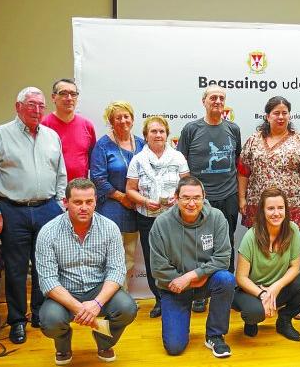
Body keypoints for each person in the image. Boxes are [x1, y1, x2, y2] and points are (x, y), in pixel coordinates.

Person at [0, 87, 66, 344]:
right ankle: (17, 320)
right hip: (13, 210)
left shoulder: (51, 136)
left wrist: (60, 203)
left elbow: (61, 173)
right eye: (31, 104)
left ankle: (39, 313)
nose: (37, 110)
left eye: (41, 105)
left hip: (47, 208)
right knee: (15, 268)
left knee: (45, 265)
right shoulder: (0, 134)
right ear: (18, 107)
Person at [36, 178, 137, 365]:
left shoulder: (109, 228)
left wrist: (97, 304)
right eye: (77, 202)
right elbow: (48, 280)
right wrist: (80, 308)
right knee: (50, 321)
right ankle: (63, 346)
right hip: (64, 292)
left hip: (98, 289)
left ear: (96, 201)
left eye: (89, 202)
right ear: (66, 203)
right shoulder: (48, 232)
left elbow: (116, 271)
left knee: (127, 308)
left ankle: (104, 342)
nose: (84, 207)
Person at [238, 96, 300, 321]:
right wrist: (242, 198)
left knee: (297, 253)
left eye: (284, 113)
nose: (281, 116)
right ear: (267, 116)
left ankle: (296, 302)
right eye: (276, 113)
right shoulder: (254, 140)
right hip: (260, 206)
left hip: (295, 205)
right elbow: (243, 170)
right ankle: (260, 295)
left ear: (289, 115)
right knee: (262, 251)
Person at [149, 176, 236, 358]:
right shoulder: (161, 224)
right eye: (186, 197)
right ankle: (179, 324)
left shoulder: (217, 218)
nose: (191, 203)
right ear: (176, 197)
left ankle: (215, 335)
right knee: (174, 348)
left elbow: (223, 258)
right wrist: (185, 281)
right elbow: (158, 268)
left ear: (204, 197)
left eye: (197, 197)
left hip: (202, 282)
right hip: (174, 287)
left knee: (226, 279)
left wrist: (192, 276)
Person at [177, 85, 241, 312]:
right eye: (213, 97)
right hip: (200, 200)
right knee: (198, 246)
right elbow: (181, 165)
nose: (217, 101)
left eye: (221, 98)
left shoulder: (233, 129)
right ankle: (198, 293)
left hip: (229, 196)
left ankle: (227, 291)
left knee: (228, 243)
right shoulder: (191, 129)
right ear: (203, 101)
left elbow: (237, 162)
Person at [233, 187, 300, 341]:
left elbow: (295, 268)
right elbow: (241, 278)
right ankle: (251, 321)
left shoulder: (292, 230)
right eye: (271, 208)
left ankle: (284, 320)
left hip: (276, 289)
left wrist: (275, 288)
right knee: (254, 313)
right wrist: (263, 294)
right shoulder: (251, 236)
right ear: (262, 211)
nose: (276, 213)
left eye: (280, 208)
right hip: (251, 290)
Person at [126, 116, 189, 318]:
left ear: (167, 135)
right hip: (147, 217)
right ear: (145, 136)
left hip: (174, 218)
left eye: (161, 131)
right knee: (153, 260)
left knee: (177, 257)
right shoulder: (137, 160)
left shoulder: (177, 157)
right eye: (153, 131)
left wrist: (177, 198)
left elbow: (187, 186)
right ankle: (160, 300)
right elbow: (130, 190)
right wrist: (144, 201)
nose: (158, 135)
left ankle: (178, 297)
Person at [90, 101, 145, 289]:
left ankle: (124, 295)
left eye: (126, 116)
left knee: (129, 256)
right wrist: (123, 197)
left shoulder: (141, 143)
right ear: (111, 122)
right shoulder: (102, 145)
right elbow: (98, 178)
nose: (123, 121)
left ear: (132, 118)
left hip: (135, 207)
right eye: (118, 118)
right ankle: (111, 298)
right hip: (112, 207)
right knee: (112, 257)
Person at [41, 78, 96, 181]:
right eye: (63, 93)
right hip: (51, 191)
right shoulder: (43, 125)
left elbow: (92, 162)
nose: (69, 98)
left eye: (73, 94)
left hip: (79, 191)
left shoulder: (87, 126)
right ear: (53, 97)